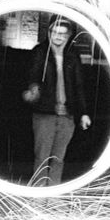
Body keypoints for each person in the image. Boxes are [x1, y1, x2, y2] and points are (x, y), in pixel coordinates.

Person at [22, 18, 91, 186]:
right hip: (45, 114)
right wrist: (33, 90)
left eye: (62, 34)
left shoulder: (73, 55)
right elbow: (33, 75)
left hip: (67, 116)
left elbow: (79, 86)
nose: (58, 36)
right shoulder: (40, 52)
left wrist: (83, 113)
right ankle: (39, 193)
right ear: (49, 33)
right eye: (55, 32)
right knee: (42, 157)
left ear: (68, 36)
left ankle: (53, 193)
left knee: (58, 158)